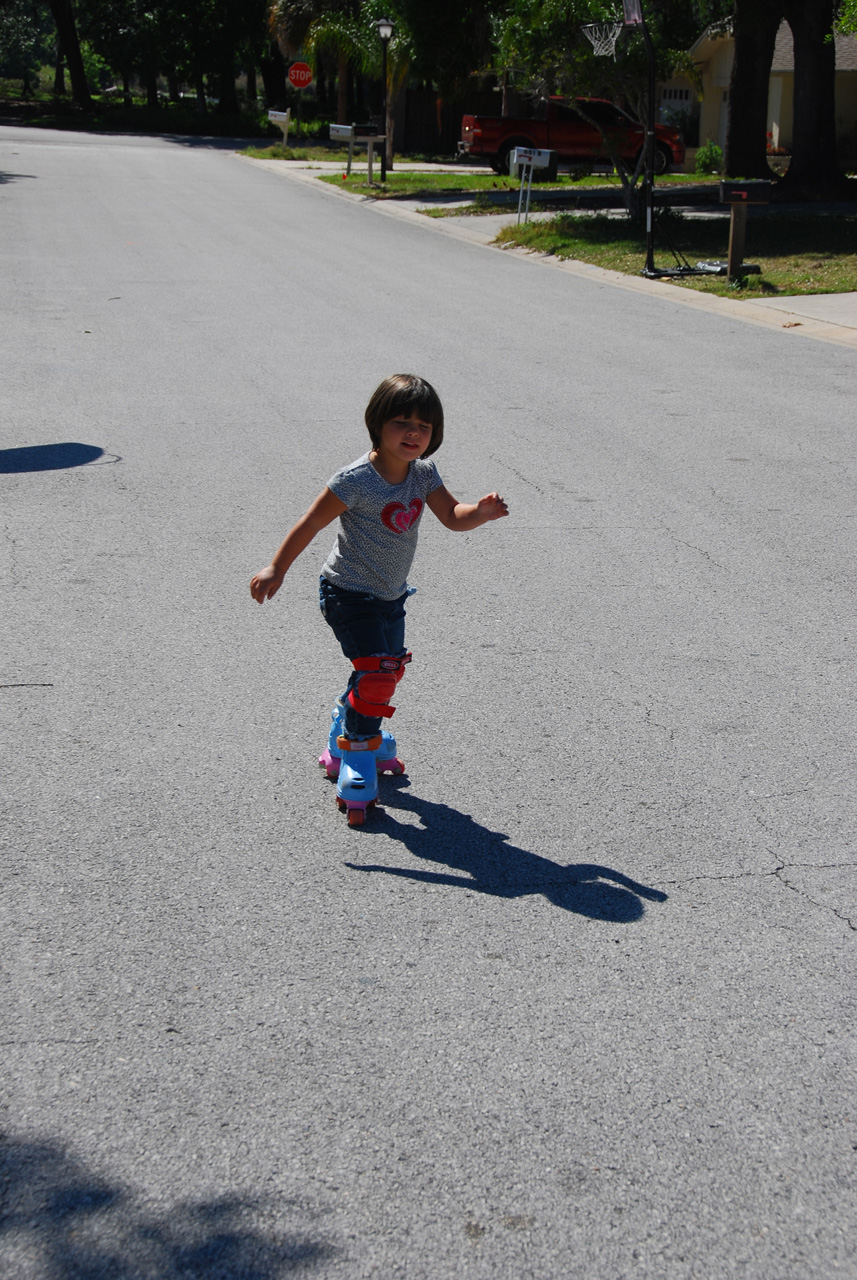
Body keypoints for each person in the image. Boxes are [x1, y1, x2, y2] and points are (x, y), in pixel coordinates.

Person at [250, 374, 508, 823]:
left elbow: (451, 515)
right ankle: (357, 756)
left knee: (386, 671)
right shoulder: (355, 481)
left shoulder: (422, 473)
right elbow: (310, 523)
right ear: (377, 424)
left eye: (424, 427)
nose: (413, 433)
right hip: (348, 594)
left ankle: (346, 728)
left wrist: (479, 513)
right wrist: (277, 567)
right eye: (402, 422)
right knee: (377, 674)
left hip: (391, 596)